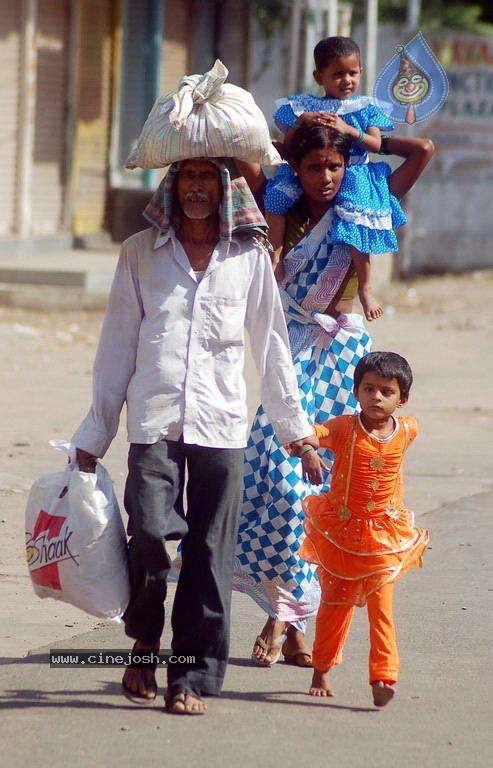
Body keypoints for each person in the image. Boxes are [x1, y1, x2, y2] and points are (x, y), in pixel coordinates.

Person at [72, 157, 319, 715]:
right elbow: (116, 344)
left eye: (210, 177)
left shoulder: (250, 256)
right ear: (173, 185)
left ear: (227, 188)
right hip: (154, 419)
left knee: (211, 554)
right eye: (189, 178)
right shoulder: (139, 252)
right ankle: (143, 642)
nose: (198, 189)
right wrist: (96, 432)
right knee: (152, 534)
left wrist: (296, 433)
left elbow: (271, 347)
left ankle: (190, 680)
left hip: (223, 425)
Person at [234, 126, 434, 668]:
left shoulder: (364, 200)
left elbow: (423, 151)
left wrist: (358, 137)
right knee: (277, 481)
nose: (325, 178)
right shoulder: (279, 204)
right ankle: (284, 611)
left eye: (334, 166)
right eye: (313, 167)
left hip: (345, 360)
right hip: (291, 351)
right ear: (294, 169)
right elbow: (241, 154)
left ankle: (289, 623)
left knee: (326, 498)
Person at [296, 351, 429, 707]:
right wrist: (308, 448)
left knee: (381, 608)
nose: (376, 397)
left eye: (387, 391)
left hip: (385, 538)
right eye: (368, 389)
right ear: (356, 392)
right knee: (335, 605)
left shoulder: (408, 429)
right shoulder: (344, 428)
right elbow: (313, 433)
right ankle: (321, 668)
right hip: (341, 534)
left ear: (403, 398)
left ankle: (384, 674)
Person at [265, 35, 409, 320]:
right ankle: (276, 257)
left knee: (355, 224)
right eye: (338, 74)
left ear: (361, 72)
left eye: (352, 73)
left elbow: (376, 145)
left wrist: (348, 130)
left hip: (353, 174)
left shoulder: (365, 108)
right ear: (319, 76)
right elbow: (289, 142)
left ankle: (365, 289)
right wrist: (301, 122)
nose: (346, 80)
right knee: (276, 197)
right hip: (311, 171)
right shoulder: (303, 106)